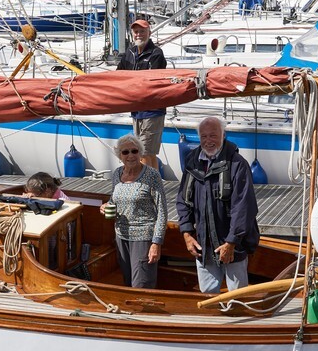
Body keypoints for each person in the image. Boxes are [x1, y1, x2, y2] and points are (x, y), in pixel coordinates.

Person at [176, 117, 260, 294]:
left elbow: (244, 207)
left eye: (213, 135)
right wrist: (186, 233)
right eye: (204, 136)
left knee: (237, 296)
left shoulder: (237, 164)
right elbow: (182, 200)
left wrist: (231, 243)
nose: (208, 141)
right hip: (204, 244)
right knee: (208, 296)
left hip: (233, 245)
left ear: (224, 135)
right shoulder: (192, 162)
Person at [99, 134, 167, 289]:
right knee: (128, 282)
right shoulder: (117, 174)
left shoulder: (152, 175)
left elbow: (162, 211)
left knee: (141, 285)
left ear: (140, 153)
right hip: (121, 236)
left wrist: (156, 243)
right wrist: (106, 206)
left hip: (143, 237)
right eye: (125, 152)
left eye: (134, 151)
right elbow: (114, 200)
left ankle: (143, 313)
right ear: (120, 156)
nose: (130, 155)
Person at [116, 19, 167, 170]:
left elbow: (150, 81)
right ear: (132, 34)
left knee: (143, 152)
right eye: (136, 32)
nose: (139, 34)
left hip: (153, 110)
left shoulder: (156, 53)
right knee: (149, 154)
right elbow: (118, 75)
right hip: (137, 110)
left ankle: (144, 187)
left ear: (149, 33)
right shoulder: (129, 53)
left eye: (142, 31)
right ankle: (155, 185)